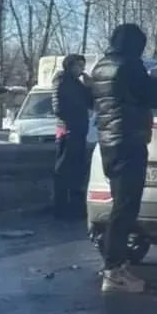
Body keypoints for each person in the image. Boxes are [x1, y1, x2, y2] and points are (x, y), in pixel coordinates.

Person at [90, 24, 157, 293]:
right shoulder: (131, 66)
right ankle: (114, 270)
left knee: (119, 204)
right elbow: (155, 99)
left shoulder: (100, 67)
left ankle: (116, 265)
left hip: (108, 142)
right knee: (125, 208)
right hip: (130, 140)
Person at [51, 54, 92, 220]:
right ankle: (61, 207)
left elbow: (90, 103)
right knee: (64, 169)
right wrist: (74, 116)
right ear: (70, 65)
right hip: (68, 129)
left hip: (79, 130)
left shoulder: (77, 83)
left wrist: (89, 87)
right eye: (78, 66)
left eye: (83, 66)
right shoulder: (62, 81)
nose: (81, 69)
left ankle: (74, 207)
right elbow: (58, 108)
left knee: (77, 169)